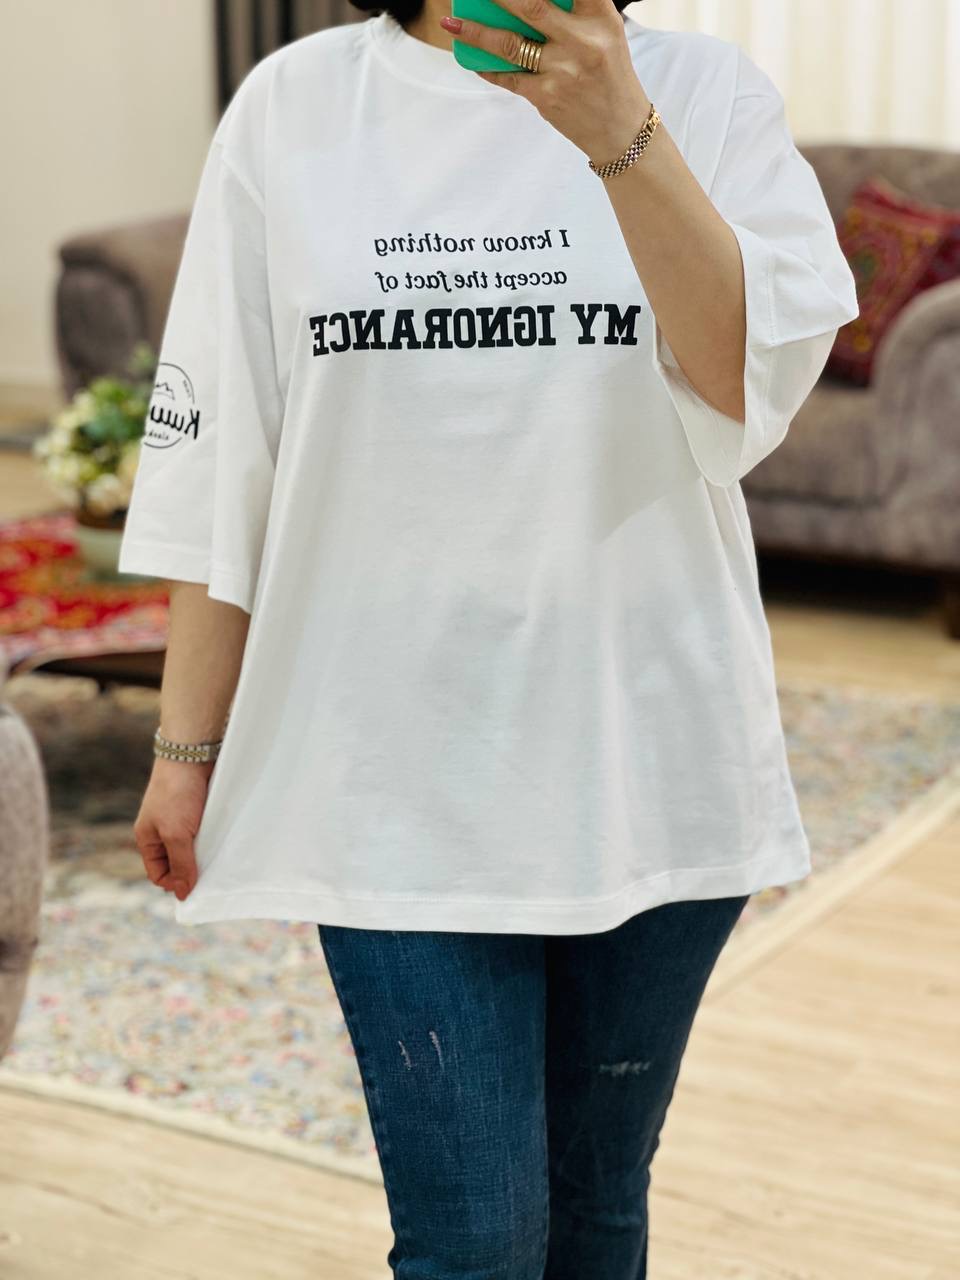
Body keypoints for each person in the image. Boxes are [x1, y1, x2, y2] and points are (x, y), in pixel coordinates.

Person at [120, 0, 859, 1274]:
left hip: (646, 759)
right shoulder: (294, 108)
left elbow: (750, 387)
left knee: (596, 1205)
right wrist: (186, 746)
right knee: (475, 1241)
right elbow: (225, 456)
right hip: (387, 777)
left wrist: (622, 135)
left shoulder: (709, 95)